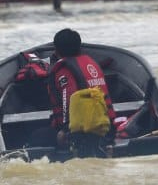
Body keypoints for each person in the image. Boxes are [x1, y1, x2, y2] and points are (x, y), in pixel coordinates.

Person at [45, 28, 115, 158]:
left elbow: (68, 98)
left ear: (57, 50)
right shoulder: (91, 63)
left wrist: (65, 132)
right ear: (79, 47)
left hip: (84, 133)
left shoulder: (64, 70)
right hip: (106, 127)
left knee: (36, 137)